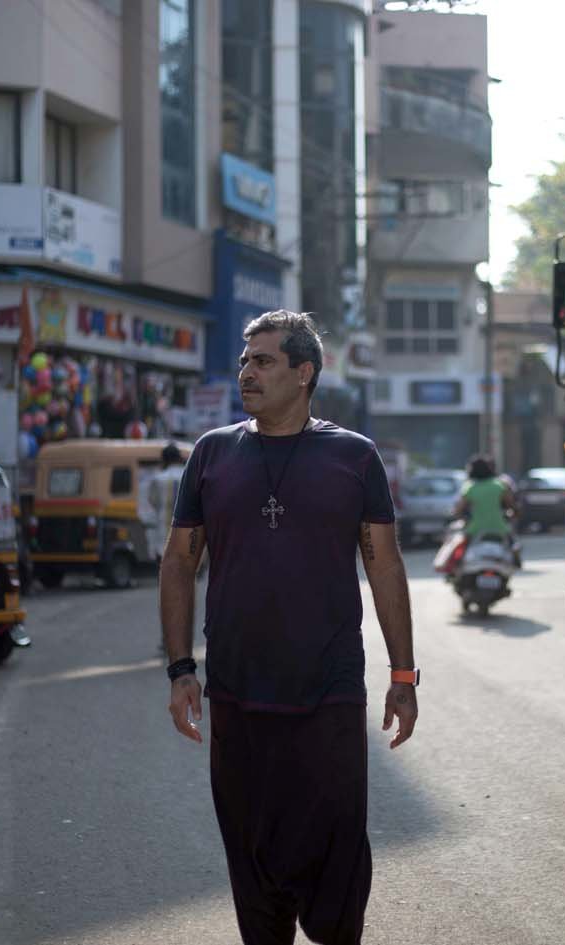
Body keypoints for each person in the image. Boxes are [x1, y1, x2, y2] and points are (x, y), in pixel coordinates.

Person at [159, 310, 418, 945]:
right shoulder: (212, 453)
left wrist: (403, 674)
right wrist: (180, 670)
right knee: (250, 854)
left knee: (335, 855)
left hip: (327, 694)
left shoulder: (354, 458)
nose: (247, 372)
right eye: (245, 361)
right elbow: (179, 561)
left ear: (304, 373)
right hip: (239, 694)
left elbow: (384, 566)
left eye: (263, 361)